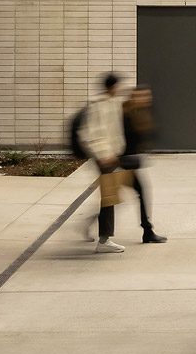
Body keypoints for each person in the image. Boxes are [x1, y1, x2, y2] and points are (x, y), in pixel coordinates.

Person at [71, 72, 130, 253]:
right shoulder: (99, 106)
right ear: (111, 87)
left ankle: (91, 225)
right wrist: (104, 154)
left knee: (111, 196)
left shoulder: (113, 103)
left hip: (113, 156)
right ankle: (103, 240)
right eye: (118, 85)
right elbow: (92, 133)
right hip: (105, 158)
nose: (121, 89)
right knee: (110, 197)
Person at [118, 84, 166, 244]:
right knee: (138, 192)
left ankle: (147, 230)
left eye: (147, 96)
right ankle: (147, 231)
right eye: (142, 96)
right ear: (134, 97)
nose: (146, 99)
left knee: (113, 199)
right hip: (122, 163)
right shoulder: (125, 114)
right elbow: (121, 140)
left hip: (129, 162)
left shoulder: (140, 113)